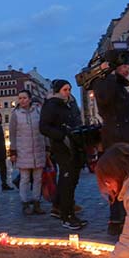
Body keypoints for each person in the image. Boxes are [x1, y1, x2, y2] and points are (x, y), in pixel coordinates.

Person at [91, 55, 129, 235]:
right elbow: (105, 100)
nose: (128, 70)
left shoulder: (120, 85)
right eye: (125, 66)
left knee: (127, 180)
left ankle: (125, 216)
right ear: (115, 67)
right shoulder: (104, 83)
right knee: (116, 181)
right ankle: (116, 218)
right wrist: (107, 74)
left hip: (125, 137)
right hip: (115, 139)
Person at [40, 79, 88, 230]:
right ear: (57, 91)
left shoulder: (70, 104)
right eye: (65, 90)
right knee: (67, 180)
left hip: (74, 145)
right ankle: (66, 216)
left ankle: (65, 209)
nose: (68, 92)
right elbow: (44, 127)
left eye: (69, 89)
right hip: (62, 146)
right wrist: (61, 135)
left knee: (72, 180)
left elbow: (76, 120)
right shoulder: (52, 105)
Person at [9, 90, 47, 215]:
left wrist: (47, 147)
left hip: (38, 149)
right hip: (23, 150)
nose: (22, 100)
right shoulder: (15, 114)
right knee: (24, 179)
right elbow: (13, 134)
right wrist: (13, 152)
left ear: (30, 99)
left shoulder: (38, 112)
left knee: (38, 179)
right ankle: (25, 203)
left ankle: (36, 202)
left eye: (24, 98)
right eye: (20, 98)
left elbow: (43, 130)